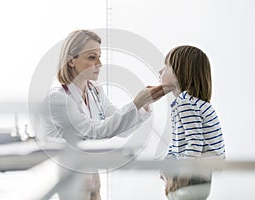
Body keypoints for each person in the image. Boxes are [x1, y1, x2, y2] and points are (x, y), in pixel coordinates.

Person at [42, 30, 173, 200]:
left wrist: (143, 104)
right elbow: (93, 131)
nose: (100, 63)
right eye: (91, 57)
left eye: (99, 56)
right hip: (68, 176)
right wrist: (136, 103)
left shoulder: (96, 92)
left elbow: (119, 127)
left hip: (91, 172)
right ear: (71, 61)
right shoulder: (57, 99)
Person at [158, 45, 226, 199]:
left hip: (192, 172)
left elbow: (194, 143)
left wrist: (182, 177)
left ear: (180, 73)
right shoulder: (192, 102)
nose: (160, 72)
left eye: (166, 66)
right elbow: (177, 143)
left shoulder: (186, 103)